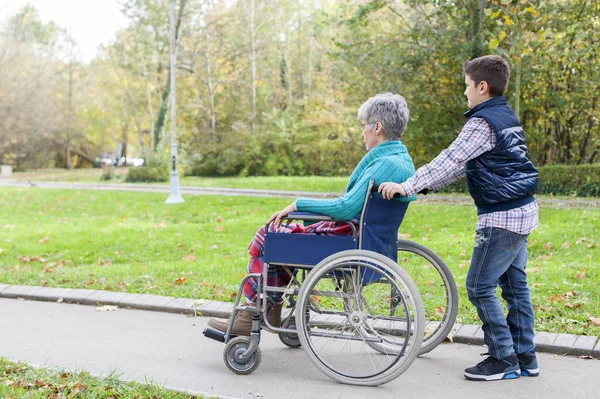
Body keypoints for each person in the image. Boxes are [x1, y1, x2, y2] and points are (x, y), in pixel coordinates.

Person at [379, 55, 539, 381]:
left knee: (479, 286)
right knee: (514, 287)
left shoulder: (482, 123)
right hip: (522, 211)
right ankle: (525, 356)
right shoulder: (504, 115)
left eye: (467, 86)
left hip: (502, 218)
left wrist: (408, 185)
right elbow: (460, 165)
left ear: (482, 86)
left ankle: (502, 358)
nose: (465, 92)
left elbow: (450, 160)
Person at [208, 92, 417, 336]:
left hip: (347, 239)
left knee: (269, 235)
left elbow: (346, 208)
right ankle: (268, 308)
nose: (362, 133)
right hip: (361, 235)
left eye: (364, 126)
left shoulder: (385, 164)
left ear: (377, 127)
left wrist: (297, 205)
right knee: (281, 236)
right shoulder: (400, 159)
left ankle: (254, 311)